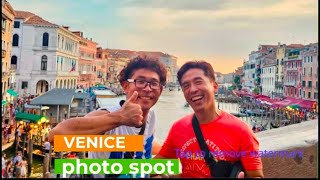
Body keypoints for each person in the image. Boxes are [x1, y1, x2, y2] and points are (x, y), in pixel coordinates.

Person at [48, 56, 167, 178]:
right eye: (140, 81)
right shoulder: (108, 116)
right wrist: (120, 117)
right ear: (125, 86)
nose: (148, 88)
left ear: (160, 90)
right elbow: (55, 138)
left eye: (154, 83)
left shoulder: (151, 117)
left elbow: (141, 147)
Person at [155, 61, 263, 178]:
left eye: (198, 82)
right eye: (186, 86)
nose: (192, 89)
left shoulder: (241, 130)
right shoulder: (178, 128)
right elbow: (154, 167)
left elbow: (256, 175)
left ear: (214, 86)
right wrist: (133, 134)